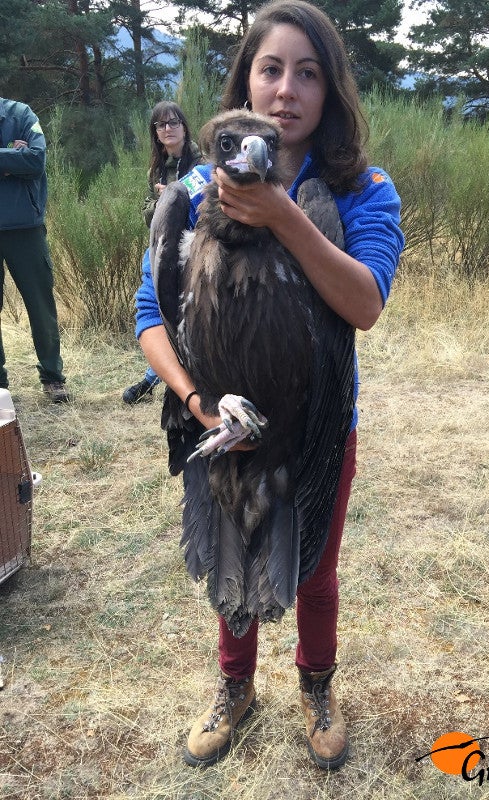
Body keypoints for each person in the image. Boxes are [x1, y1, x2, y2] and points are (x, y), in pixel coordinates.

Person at [135, 0, 404, 771]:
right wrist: (196, 403)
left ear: (330, 89)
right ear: (247, 83)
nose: (287, 90)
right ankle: (233, 688)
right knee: (232, 544)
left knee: (313, 566)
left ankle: (316, 686)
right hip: (220, 418)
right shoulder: (189, 190)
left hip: (315, 421)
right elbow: (150, 313)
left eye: (307, 73)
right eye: (271, 69)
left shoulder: (356, 188)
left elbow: (365, 303)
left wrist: (285, 215)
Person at [122, 101, 202, 405]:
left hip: (194, 245)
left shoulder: (202, 161)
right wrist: (164, 203)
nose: (167, 129)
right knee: (157, 306)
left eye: (173, 123)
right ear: (155, 133)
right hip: (162, 246)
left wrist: (179, 196)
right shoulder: (156, 169)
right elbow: (147, 215)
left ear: (184, 126)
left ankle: (153, 378)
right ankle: (154, 376)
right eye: (160, 125)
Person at [0, 97, 69, 402]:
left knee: (41, 307)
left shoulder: (20, 114)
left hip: (25, 228)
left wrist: (19, 160)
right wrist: (11, 158)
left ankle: (53, 378)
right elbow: (23, 161)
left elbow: (35, 160)